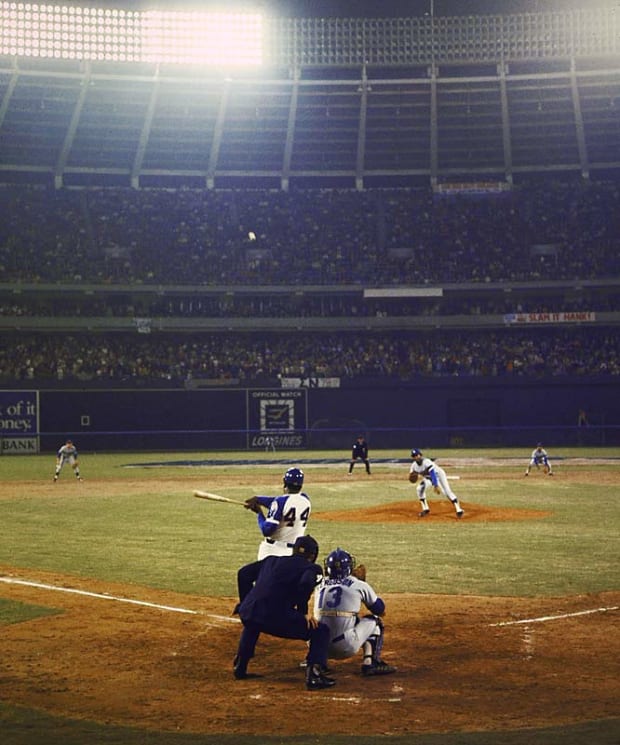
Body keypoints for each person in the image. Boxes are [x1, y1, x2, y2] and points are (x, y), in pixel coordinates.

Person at [233, 534, 335, 690]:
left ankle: (240, 666)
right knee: (320, 631)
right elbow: (306, 582)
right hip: (275, 617)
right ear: (313, 555)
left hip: (249, 613)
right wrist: (303, 612)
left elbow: (243, 574)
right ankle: (314, 675)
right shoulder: (312, 568)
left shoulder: (272, 560)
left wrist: (244, 602)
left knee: (253, 623)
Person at [314, 548, 397, 677]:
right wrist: (363, 585)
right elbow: (379, 609)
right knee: (374, 620)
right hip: (345, 646)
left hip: (318, 648)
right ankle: (370, 662)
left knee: (325, 619)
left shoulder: (319, 585)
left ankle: (317, 664)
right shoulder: (357, 584)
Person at [244, 467, 311, 560]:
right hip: (293, 553)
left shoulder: (280, 502)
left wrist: (259, 513)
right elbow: (279, 503)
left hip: (272, 551)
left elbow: (266, 530)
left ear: (285, 482)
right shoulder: (305, 499)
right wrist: (258, 499)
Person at [409, 448, 464, 518]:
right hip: (428, 478)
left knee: (446, 492)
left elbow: (432, 473)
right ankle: (425, 509)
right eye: (414, 456)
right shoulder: (413, 466)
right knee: (419, 489)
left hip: (439, 475)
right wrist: (412, 478)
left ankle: (459, 509)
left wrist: (435, 485)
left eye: (417, 455)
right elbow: (411, 478)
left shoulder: (427, 462)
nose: (416, 457)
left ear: (420, 455)